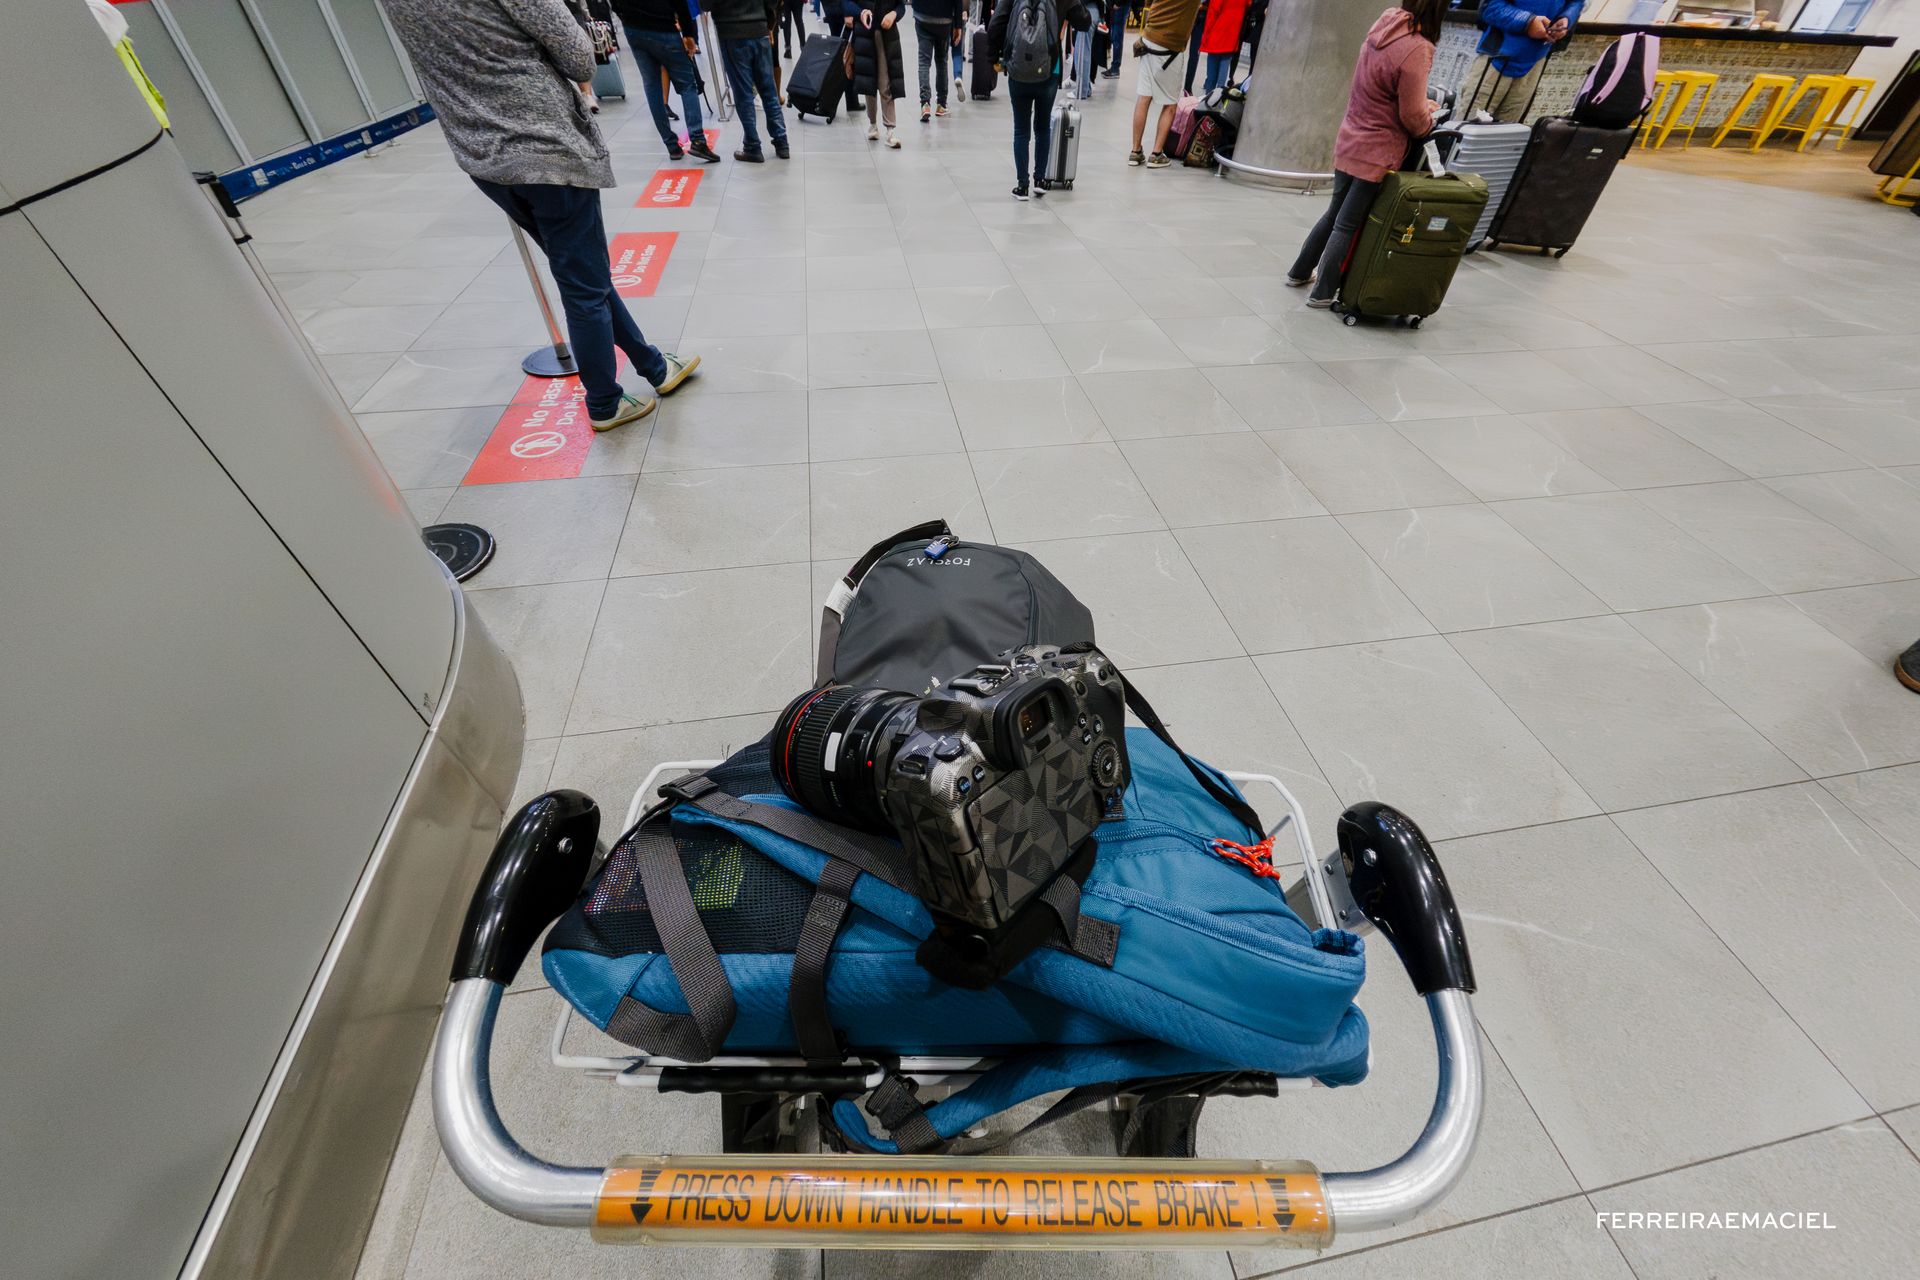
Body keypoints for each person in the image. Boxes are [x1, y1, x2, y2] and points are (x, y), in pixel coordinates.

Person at [382, 0, 700, 432]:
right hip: (547, 149)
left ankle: (654, 366)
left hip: (481, 154)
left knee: (582, 272)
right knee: (582, 286)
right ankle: (605, 401)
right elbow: (579, 57)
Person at [1285, 0, 1443, 310]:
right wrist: (1428, 115)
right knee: (1347, 223)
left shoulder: (1384, 25)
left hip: (1351, 136)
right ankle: (1323, 292)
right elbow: (1412, 115)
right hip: (1377, 148)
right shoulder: (1417, 47)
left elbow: (1381, 88)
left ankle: (1299, 271)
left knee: (1334, 214)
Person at [989, 0, 1092, 199]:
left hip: (1018, 71)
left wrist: (995, 57)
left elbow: (996, 24)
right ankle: (1040, 180)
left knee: (1021, 129)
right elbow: (1084, 22)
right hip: (1049, 70)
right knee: (1043, 127)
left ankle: (1022, 185)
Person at [612, 0, 723, 160]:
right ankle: (698, 141)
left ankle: (671, 146)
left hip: (633, 28)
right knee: (687, 85)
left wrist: (625, 16)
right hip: (663, 28)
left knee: (652, 86)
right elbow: (681, 5)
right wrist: (688, 33)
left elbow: (614, 5)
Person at [1469, 0, 1580, 122]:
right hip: (1496, 59)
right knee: (1467, 130)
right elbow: (1490, 7)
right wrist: (1528, 22)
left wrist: (1566, 19)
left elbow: (1576, 2)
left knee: (1506, 135)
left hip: (1535, 62)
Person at [714, 0, 791, 159]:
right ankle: (782, 142)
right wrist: (769, 24)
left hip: (732, 31)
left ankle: (752, 146)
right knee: (769, 91)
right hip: (759, 28)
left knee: (743, 94)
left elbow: (706, 5)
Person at [1127, 0, 1199, 167]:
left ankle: (1135, 151)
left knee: (1144, 98)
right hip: (1170, 47)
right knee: (1170, 104)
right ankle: (1156, 154)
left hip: (1149, 38)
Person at [839, 0, 907, 146]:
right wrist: (860, 12)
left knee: (885, 80)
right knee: (868, 80)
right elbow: (845, 3)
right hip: (865, 33)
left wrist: (893, 14)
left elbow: (900, 6)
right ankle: (873, 124)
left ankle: (890, 129)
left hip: (887, 35)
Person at [913, 0, 963, 121]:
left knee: (924, 61)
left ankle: (925, 104)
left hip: (922, 15)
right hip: (944, 19)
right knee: (941, 61)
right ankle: (941, 104)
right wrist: (958, 25)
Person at [1197, 0, 1244, 95]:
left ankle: (1208, 103)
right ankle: (1217, 101)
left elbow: (1213, 12)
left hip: (1216, 34)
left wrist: (1205, 37)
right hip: (1232, 37)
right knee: (1222, 79)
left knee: (1211, 78)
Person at [1103, 0, 1128, 77]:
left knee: (1117, 37)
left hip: (1120, 6)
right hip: (1117, 6)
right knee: (1115, 36)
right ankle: (1114, 67)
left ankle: (1115, 69)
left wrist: (1118, 3)